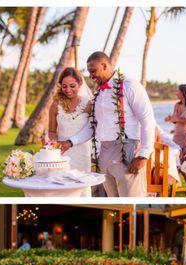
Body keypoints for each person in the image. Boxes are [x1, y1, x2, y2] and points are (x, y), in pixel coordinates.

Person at [59, 51, 155, 197]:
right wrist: (70, 143)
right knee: (113, 201)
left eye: (93, 71)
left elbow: (147, 119)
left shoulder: (130, 86)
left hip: (127, 150)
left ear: (104, 65)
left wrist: (143, 155)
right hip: (105, 153)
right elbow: (92, 127)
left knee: (131, 199)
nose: (91, 76)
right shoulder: (98, 94)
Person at [48, 67, 92, 181]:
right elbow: (51, 131)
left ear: (80, 83)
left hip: (82, 154)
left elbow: (92, 129)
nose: (68, 90)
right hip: (62, 154)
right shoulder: (56, 105)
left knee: (81, 186)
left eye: (72, 86)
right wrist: (55, 145)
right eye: (64, 86)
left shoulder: (89, 104)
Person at [165, 84, 186, 150]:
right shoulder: (177, 105)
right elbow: (176, 121)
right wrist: (170, 119)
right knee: (176, 157)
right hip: (176, 136)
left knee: (185, 158)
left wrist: (177, 119)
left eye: (177, 91)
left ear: (183, 92)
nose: (176, 93)